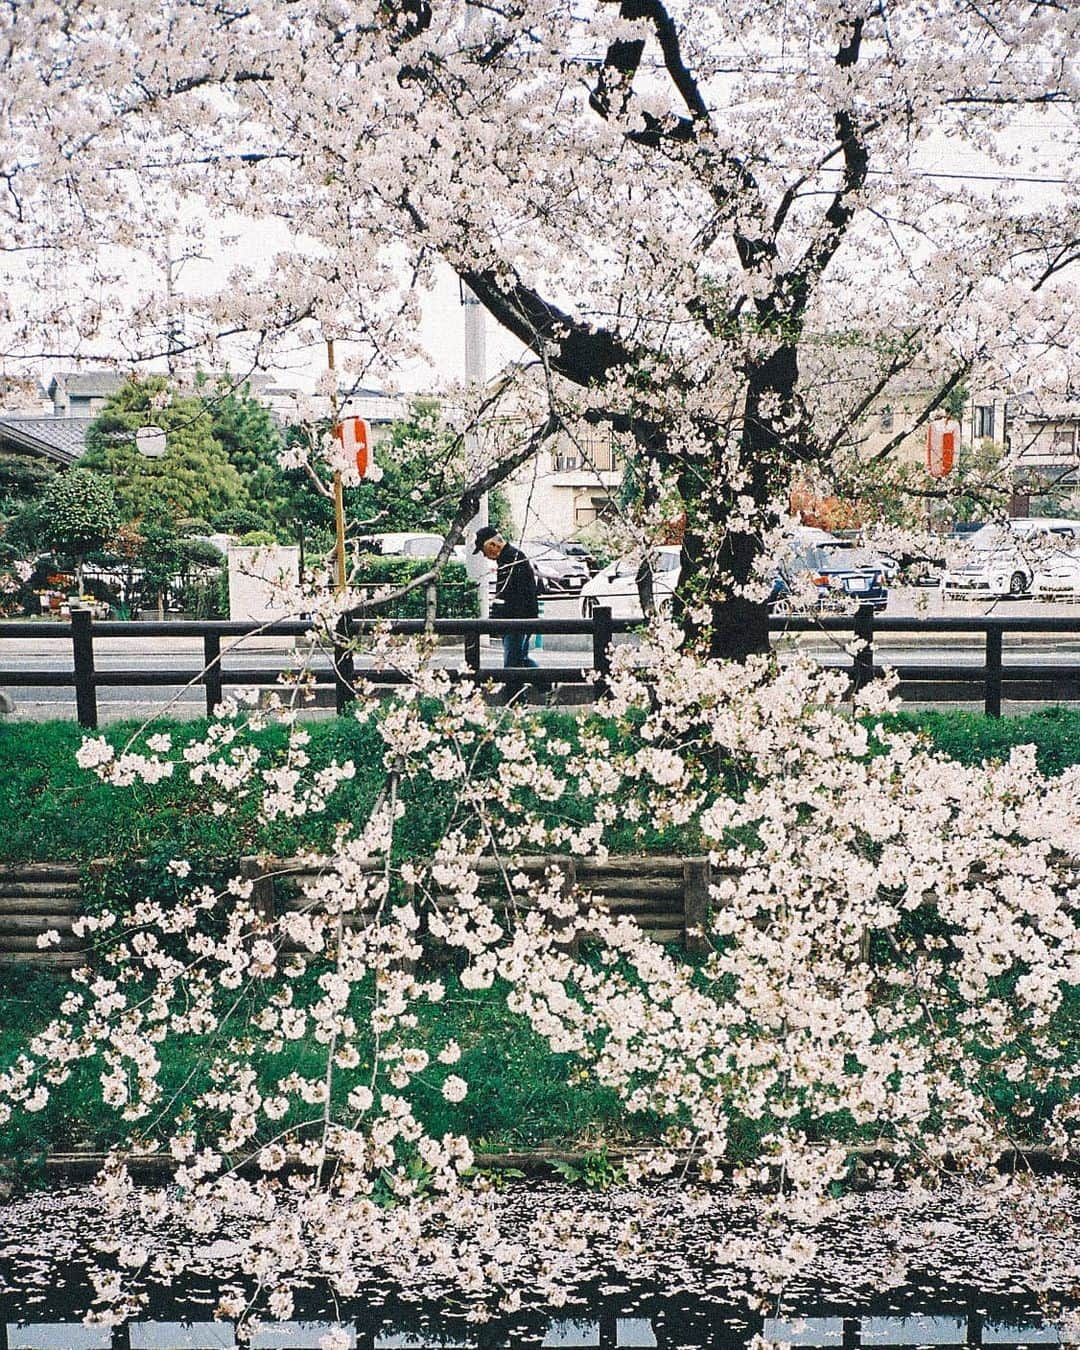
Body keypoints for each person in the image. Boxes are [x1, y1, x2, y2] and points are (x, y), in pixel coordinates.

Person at [474, 526, 539, 669]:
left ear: (493, 545)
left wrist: (497, 619)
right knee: (520, 659)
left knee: (512, 662)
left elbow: (507, 594)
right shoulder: (513, 556)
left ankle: (541, 685)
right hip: (522, 617)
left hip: (516, 619)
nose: (485, 555)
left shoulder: (510, 559)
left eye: (483, 550)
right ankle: (547, 685)